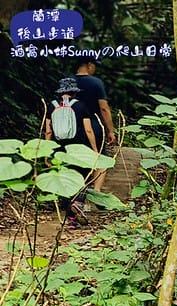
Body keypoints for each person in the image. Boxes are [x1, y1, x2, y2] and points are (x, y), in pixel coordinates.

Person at [45, 77, 98, 226]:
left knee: (65, 181)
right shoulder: (80, 106)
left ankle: (71, 220)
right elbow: (88, 129)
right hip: (78, 148)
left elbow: (48, 132)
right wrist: (94, 149)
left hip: (59, 150)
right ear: (74, 92)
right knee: (84, 177)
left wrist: (47, 154)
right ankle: (78, 202)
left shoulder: (52, 106)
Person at [74, 57, 116, 192]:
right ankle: (96, 193)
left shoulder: (67, 82)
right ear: (89, 65)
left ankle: (73, 194)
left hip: (70, 127)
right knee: (99, 159)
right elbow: (104, 108)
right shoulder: (96, 83)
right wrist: (111, 130)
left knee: (73, 159)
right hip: (93, 125)